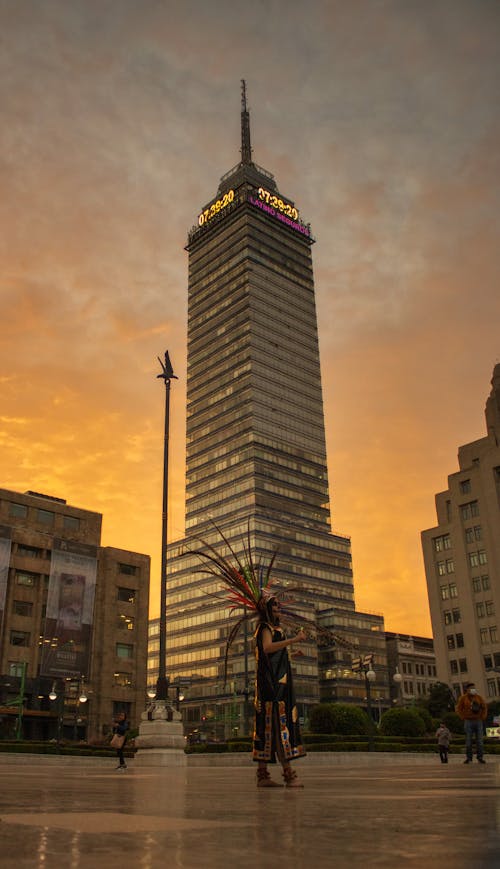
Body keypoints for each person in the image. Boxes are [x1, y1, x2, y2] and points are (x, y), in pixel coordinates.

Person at [253, 595, 307, 788]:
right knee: (277, 724)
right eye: (274, 605)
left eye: (278, 605)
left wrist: (290, 653)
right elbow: (267, 648)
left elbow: (275, 655)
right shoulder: (265, 628)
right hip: (272, 685)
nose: (278, 607)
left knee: (269, 726)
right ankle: (288, 774)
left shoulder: (275, 629)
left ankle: (263, 775)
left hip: (278, 684)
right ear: (267, 609)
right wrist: (294, 640)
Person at [456, 682, 487, 764]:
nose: (473, 689)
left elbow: (484, 707)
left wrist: (483, 717)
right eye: (471, 688)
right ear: (467, 689)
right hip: (468, 721)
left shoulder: (479, 698)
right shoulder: (463, 698)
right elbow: (459, 708)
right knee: (468, 741)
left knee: (480, 741)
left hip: (478, 721)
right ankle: (469, 758)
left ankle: (480, 757)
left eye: (474, 688)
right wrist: (463, 717)